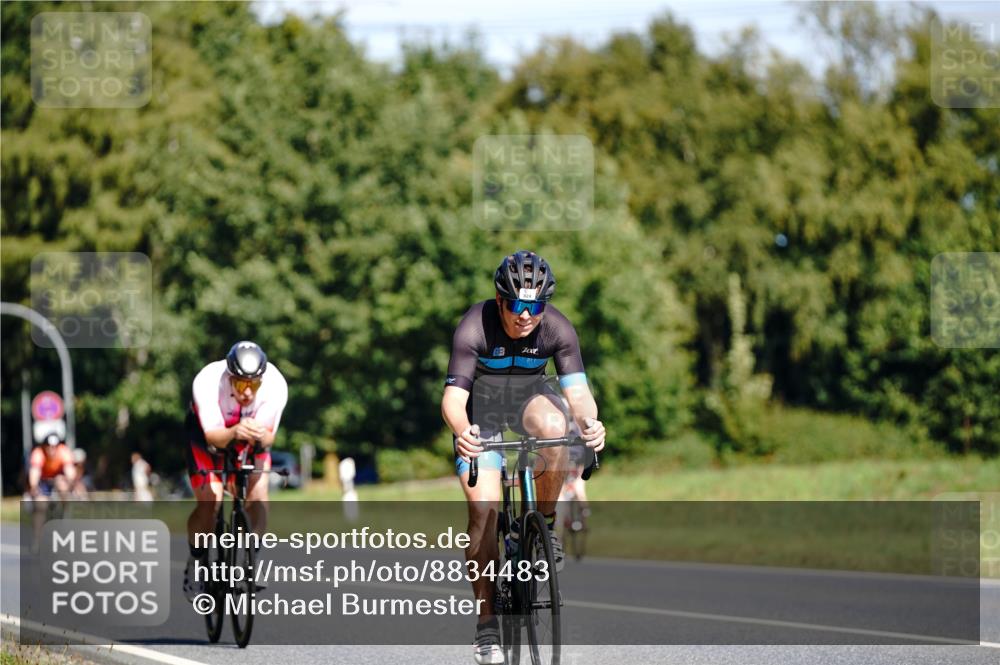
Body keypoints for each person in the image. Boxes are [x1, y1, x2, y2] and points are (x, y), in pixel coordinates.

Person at [441, 250, 606, 665]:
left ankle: (542, 527)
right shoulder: (474, 326)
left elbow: (578, 393)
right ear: (500, 301)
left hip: (529, 401)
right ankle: (487, 625)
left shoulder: (557, 328)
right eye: (516, 305)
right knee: (483, 513)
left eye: (535, 306)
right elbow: (453, 399)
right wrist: (463, 432)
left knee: (556, 428)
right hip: (481, 412)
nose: (526, 315)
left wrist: (591, 423)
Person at [182, 341, 288, 601]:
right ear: (230, 378)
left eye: (254, 385)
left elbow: (268, 439)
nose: (248, 392)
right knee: (212, 500)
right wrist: (234, 432)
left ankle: (251, 560)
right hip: (207, 438)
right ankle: (196, 560)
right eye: (241, 385)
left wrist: (259, 435)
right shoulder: (207, 381)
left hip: (249, 440)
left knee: (259, 495)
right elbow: (212, 436)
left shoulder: (276, 384)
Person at [27, 435, 77, 502]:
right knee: (41, 501)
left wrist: (71, 484)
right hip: (43, 481)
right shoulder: (38, 452)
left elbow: (69, 470)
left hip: (58, 479)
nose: (51, 449)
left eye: (54, 446)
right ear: (44, 446)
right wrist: (34, 487)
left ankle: (64, 506)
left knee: (62, 485)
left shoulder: (63, 451)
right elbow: (35, 472)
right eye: (48, 446)